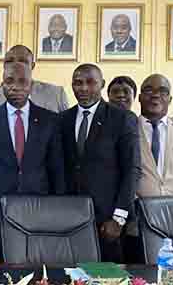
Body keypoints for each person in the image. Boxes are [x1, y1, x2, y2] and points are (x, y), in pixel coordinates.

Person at [0, 50, 65, 261]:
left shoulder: (50, 120)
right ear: (2, 84)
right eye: (9, 81)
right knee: (1, 266)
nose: (15, 87)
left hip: (40, 209)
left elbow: (57, 168)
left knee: (38, 265)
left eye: (22, 81)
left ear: (31, 85)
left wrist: (60, 208)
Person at [60, 64, 140, 263]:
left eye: (90, 82)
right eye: (78, 83)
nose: (83, 88)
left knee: (108, 277)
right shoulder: (63, 119)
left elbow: (132, 170)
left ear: (102, 84)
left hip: (108, 221)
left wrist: (119, 218)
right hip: (70, 217)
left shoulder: (122, 118)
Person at [0, 45, 69, 113]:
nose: (16, 64)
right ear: (4, 65)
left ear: (32, 66)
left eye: (22, 61)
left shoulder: (56, 95)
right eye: (10, 61)